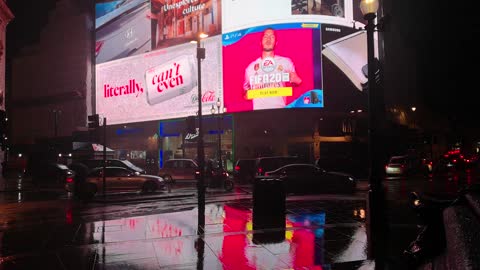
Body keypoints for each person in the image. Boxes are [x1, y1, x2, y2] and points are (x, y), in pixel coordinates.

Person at [243, 28, 302, 110]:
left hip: (280, 112)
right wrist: (251, 93)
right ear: (260, 42)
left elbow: (298, 83)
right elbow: (246, 95)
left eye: (272, 37)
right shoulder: (250, 68)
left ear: (276, 43)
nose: (268, 39)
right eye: (265, 36)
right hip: (258, 114)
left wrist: (297, 81)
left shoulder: (286, 62)